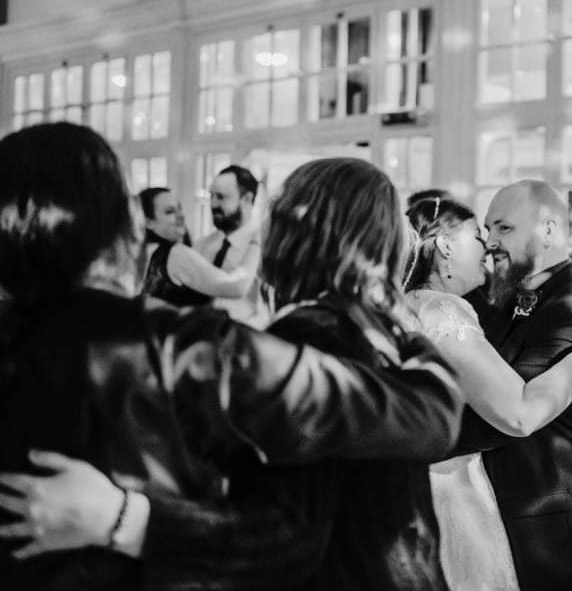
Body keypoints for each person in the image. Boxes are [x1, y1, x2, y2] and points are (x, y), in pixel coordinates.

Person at [0, 128, 464, 589]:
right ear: (122, 225)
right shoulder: (182, 347)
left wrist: (123, 517)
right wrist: (414, 340)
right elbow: (429, 415)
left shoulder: (303, 333)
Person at [404, 195, 572, 590]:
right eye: (478, 234)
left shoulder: (405, 305)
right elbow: (520, 413)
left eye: (499, 229)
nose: (487, 245)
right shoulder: (445, 311)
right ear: (446, 245)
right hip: (448, 490)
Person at [138, 186, 259, 308]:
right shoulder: (176, 254)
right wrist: (256, 243)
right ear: (149, 222)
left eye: (179, 208)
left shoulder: (142, 253)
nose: (181, 215)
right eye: (169, 211)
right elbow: (236, 287)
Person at [194, 165, 265, 325]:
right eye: (211, 196)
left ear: (246, 199)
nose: (213, 204)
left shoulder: (264, 248)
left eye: (221, 197)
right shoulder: (202, 246)